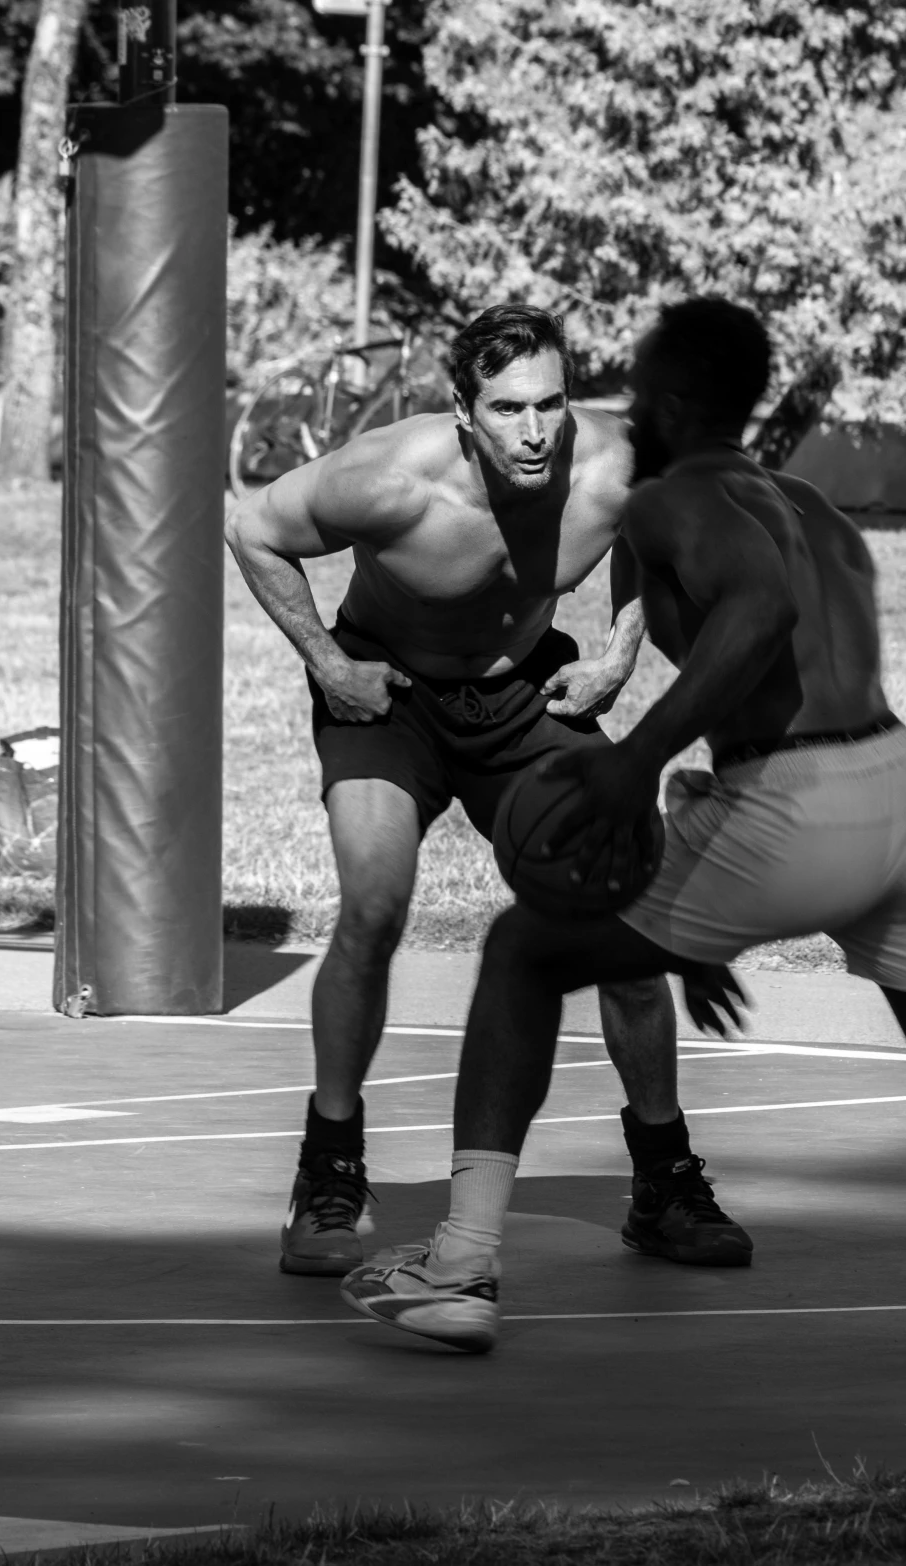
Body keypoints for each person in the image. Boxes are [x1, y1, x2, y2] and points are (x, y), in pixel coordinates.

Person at [339, 297, 906, 1355]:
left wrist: (635, 765)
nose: (627, 403)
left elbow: (757, 619)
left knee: (521, 952)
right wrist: (693, 913)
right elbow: (794, 649)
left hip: (792, 806)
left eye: (642, 384)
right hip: (902, 792)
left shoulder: (667, 504)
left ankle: (461, 1267)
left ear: (680, 400)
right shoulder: (809, 506)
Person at [225, 304, 753, 1277]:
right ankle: (330, 1165)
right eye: (507, 410)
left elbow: (658, 533)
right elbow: (251, 527)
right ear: (464, 414)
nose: (534, 430)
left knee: (621, 926)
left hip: (524, 691)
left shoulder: (615, 459)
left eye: (550, 403)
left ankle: (663, 1179)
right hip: (390, 691)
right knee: (375, 904)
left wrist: (618, 655)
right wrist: (330, 665)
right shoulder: (385, 478)